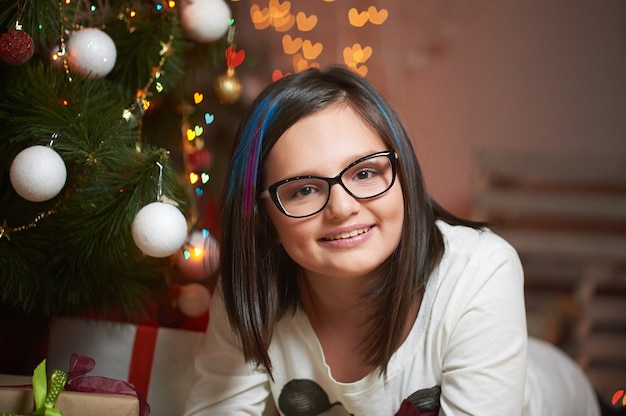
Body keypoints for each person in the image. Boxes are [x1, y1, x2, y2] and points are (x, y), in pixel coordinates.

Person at [184, 66, 600, 415]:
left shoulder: (481, 268)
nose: (343, 208)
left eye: (365, 173)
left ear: (401, 175)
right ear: (263, 218)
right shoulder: (250, 289)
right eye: (303, 189)